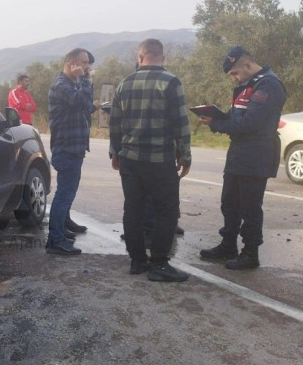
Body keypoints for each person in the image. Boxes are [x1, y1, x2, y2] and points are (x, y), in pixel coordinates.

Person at [109, 38, 191, 281]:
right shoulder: (171, 82)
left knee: (132, 209)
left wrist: (115, 153)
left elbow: (115, 123)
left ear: (140, 56)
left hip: (130, 159)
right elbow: (181, 123)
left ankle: (137, 261)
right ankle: (158, 264)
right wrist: (185, 155)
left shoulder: (125, 83)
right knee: (167, 211)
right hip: (159, 160)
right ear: (162, 57)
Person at [197, 46, 287, 270]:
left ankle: (250, 253)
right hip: (239, 151)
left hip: (257, 153)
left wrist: (217, 124)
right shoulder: (247, 85)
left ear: (248, 65)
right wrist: (218, 117)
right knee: (230, 203)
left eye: (235, 73)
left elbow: (251, 123)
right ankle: (228, 245)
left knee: (250, 206)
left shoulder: (268, 84)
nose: (234, 78)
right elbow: (238, 117)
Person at [45, 48, 101, 255]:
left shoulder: (72, 84)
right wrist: (86, 80)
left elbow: (85, 105)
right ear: (72, 63)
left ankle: (62, 228)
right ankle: (55, 240)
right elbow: (80, 101)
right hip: (66, 148)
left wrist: (86, 87)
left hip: (73, 148)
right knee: (64, 195)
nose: (88, 67)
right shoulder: (61, 85)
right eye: (85, 62)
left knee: (67, 193)